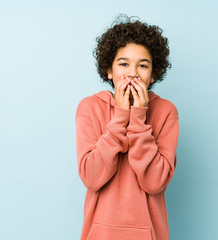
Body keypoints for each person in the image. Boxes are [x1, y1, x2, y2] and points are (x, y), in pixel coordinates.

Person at [75, 14, 179, 240]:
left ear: (153, 75)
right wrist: (121, 117)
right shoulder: (90, 107)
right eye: (124, 64)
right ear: (109, 71)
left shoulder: (165, 112)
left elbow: (154, 183)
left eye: (142, 65)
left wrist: (139, 118)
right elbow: (92, 178)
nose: (132, 73)